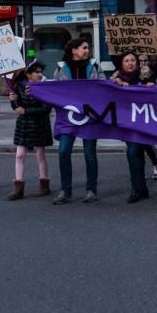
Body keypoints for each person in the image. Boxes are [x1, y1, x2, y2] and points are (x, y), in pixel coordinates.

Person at [51, 39, 105, 205]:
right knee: (63, 151)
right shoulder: (61, 68)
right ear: (74, 50)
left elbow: (104, 85)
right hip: (69, 117)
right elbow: (54, 89)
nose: (87, 51)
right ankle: (65, 191)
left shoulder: (95, 66)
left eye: (88, 48)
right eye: (84, 48)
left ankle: (91, 190)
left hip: (90, 117)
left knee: (89, 154)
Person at [111, 51, 154, 204]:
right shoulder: (116, 80)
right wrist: (116, 85)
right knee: (134, 152)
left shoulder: (146, 78)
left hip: (144, 121)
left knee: (137, 153)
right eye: (126, 60)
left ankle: (139, 188)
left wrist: (151, 86)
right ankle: (139, 187)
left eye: (133, 60)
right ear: (121, 64)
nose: (130, 63)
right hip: (127, 122)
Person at [9, 62, 53, 200]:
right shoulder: (19, 86)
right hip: (24, 124)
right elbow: (16, 106)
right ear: (28, 74)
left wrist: (26, 110)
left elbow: (47, 108)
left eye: (40, 72)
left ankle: (44, 184)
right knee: (19, 155)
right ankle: (18, 188)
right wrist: (13, 101)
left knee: (40, 155)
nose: (40, 74)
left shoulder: (44, 87)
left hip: (40, 124)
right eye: (36, 72)